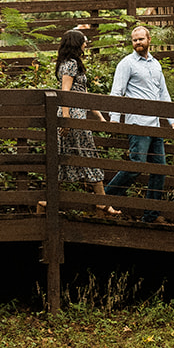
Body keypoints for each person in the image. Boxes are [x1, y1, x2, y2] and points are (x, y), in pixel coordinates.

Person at [103, 24, 174, 222]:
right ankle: (104, 200)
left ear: (149, 40)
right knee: (137, 164)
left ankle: (150, 216)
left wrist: (171, 119)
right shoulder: (127, 63)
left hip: (155, 124)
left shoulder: (155, 64)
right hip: (138, 123)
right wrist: (114, 119)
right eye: (134, 40)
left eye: (141, 39)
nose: (137, 43)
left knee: (159, 169)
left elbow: (163, 93)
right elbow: (117, 91)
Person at [42, 29, 120, 216]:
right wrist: (66, 120)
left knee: (64, 158)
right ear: (77, 43)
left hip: (76, 115)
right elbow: (66, 93)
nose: (87, 43)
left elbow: (82, 94)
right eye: (84, 41)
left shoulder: (73, 63)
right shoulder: (70, 64)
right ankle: (102, 203)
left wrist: (99, 116)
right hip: (73, 116)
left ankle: (46, 202)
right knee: (88, 156)